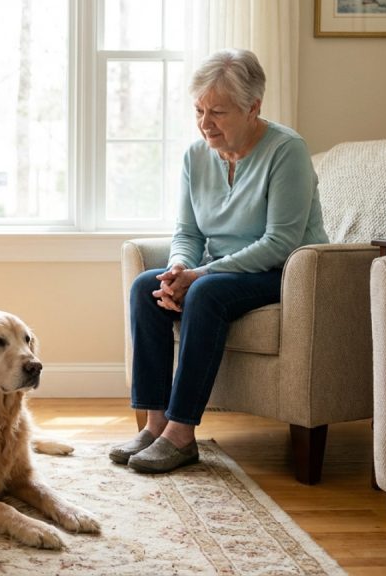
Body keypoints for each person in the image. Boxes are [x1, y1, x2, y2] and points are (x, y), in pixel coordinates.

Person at [109, 49, 328, 474]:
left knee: (205, 292)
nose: (205, 123)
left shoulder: (287, 151)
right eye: (199, 110)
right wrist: (178, 268)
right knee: (146, 286)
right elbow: (188, 232)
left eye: (218, 112)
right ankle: (155, 425)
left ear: (253, 108)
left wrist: (199, 274)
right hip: (221, 270)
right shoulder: (196, 156)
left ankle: (181, 434)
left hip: (285, 272)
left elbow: (279, 242)